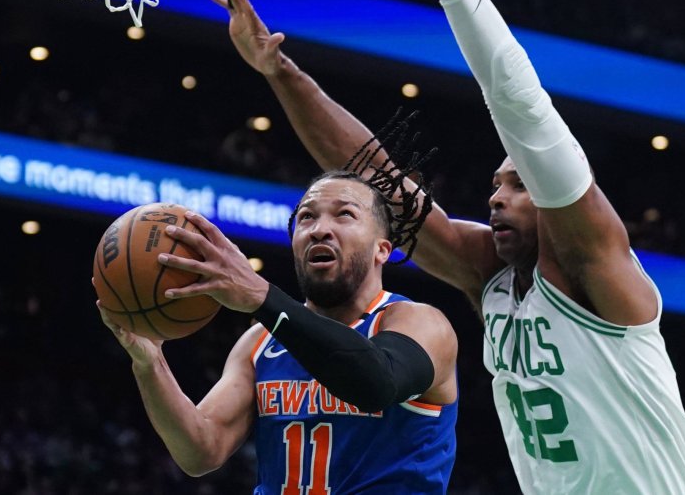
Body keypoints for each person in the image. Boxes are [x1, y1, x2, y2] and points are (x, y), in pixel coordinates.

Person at [206, 0, 685, 494]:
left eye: (518, 184)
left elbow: (520, 106)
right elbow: (369, 172)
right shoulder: (487, 274)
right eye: (494, 184)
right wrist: (281, 72)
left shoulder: (595, 262)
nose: (496, 197)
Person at [96, 133, 459, 494]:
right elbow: (201, 450)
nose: (320, 229)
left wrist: (260, 296)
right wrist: (150, 364)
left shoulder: (418, 322)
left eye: (345, 215)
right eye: (306, 218)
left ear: (382, 250)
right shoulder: (261, 342)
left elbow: (375, 384)